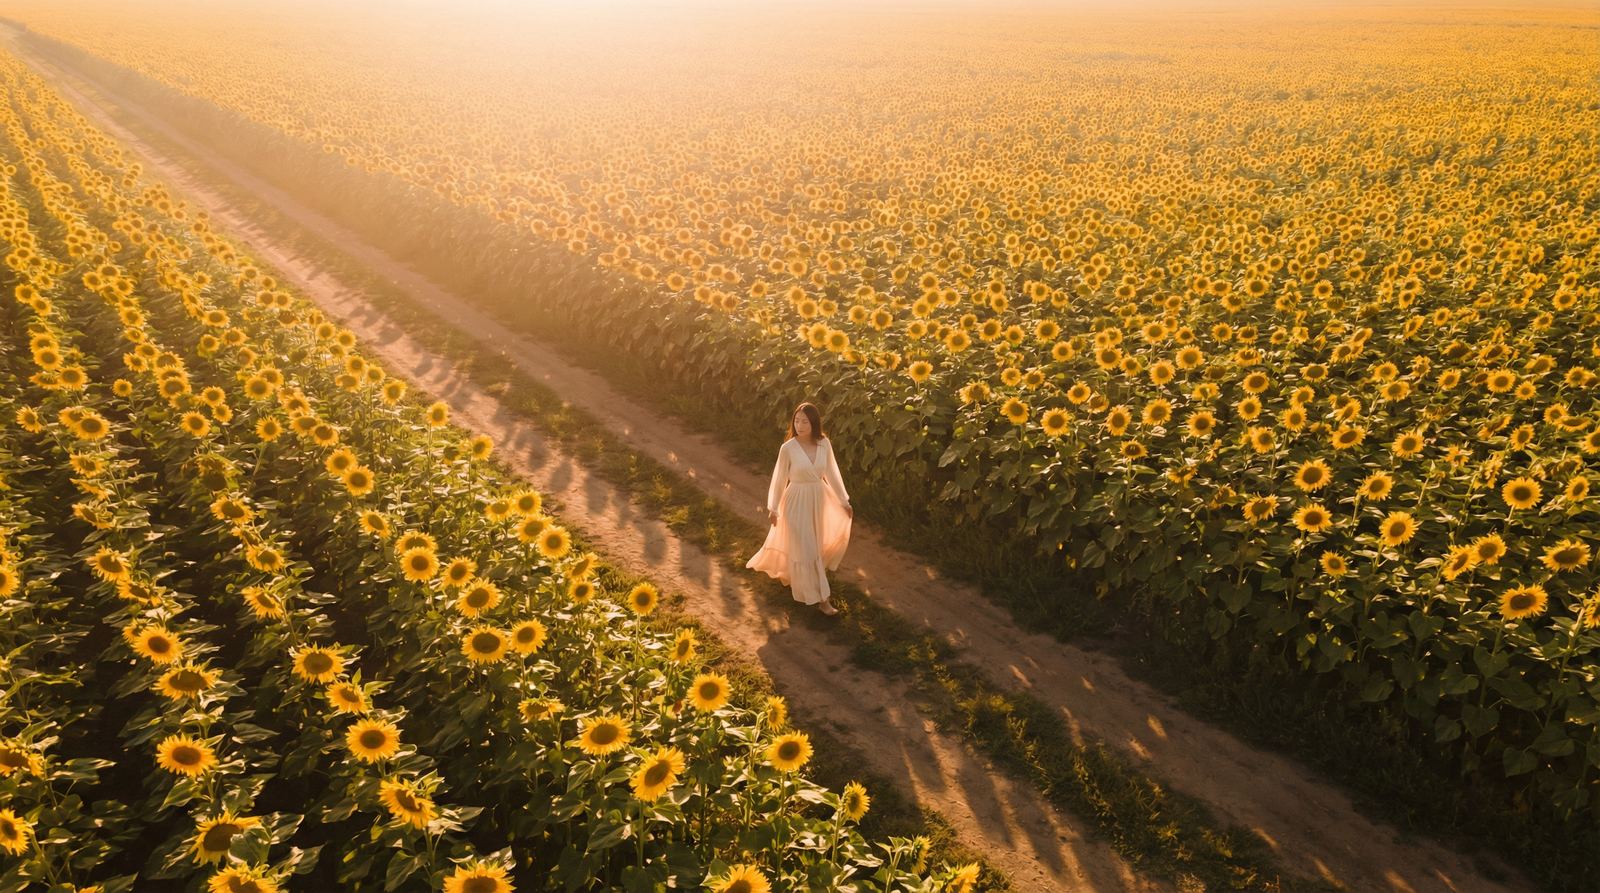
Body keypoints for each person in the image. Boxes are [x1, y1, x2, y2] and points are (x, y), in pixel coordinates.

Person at [745, 401, 853, 615]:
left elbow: (832, 472)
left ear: (814, 423)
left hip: (819, 500)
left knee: (813, 546)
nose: (800, 425)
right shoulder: (788, 448)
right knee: (808, 548)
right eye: (797, 420)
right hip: (796, 501)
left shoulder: (824, 444)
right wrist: (773, 508)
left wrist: (843, 501)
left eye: (805, 421)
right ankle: (823, 600)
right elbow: (779, 478)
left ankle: (799, 578)